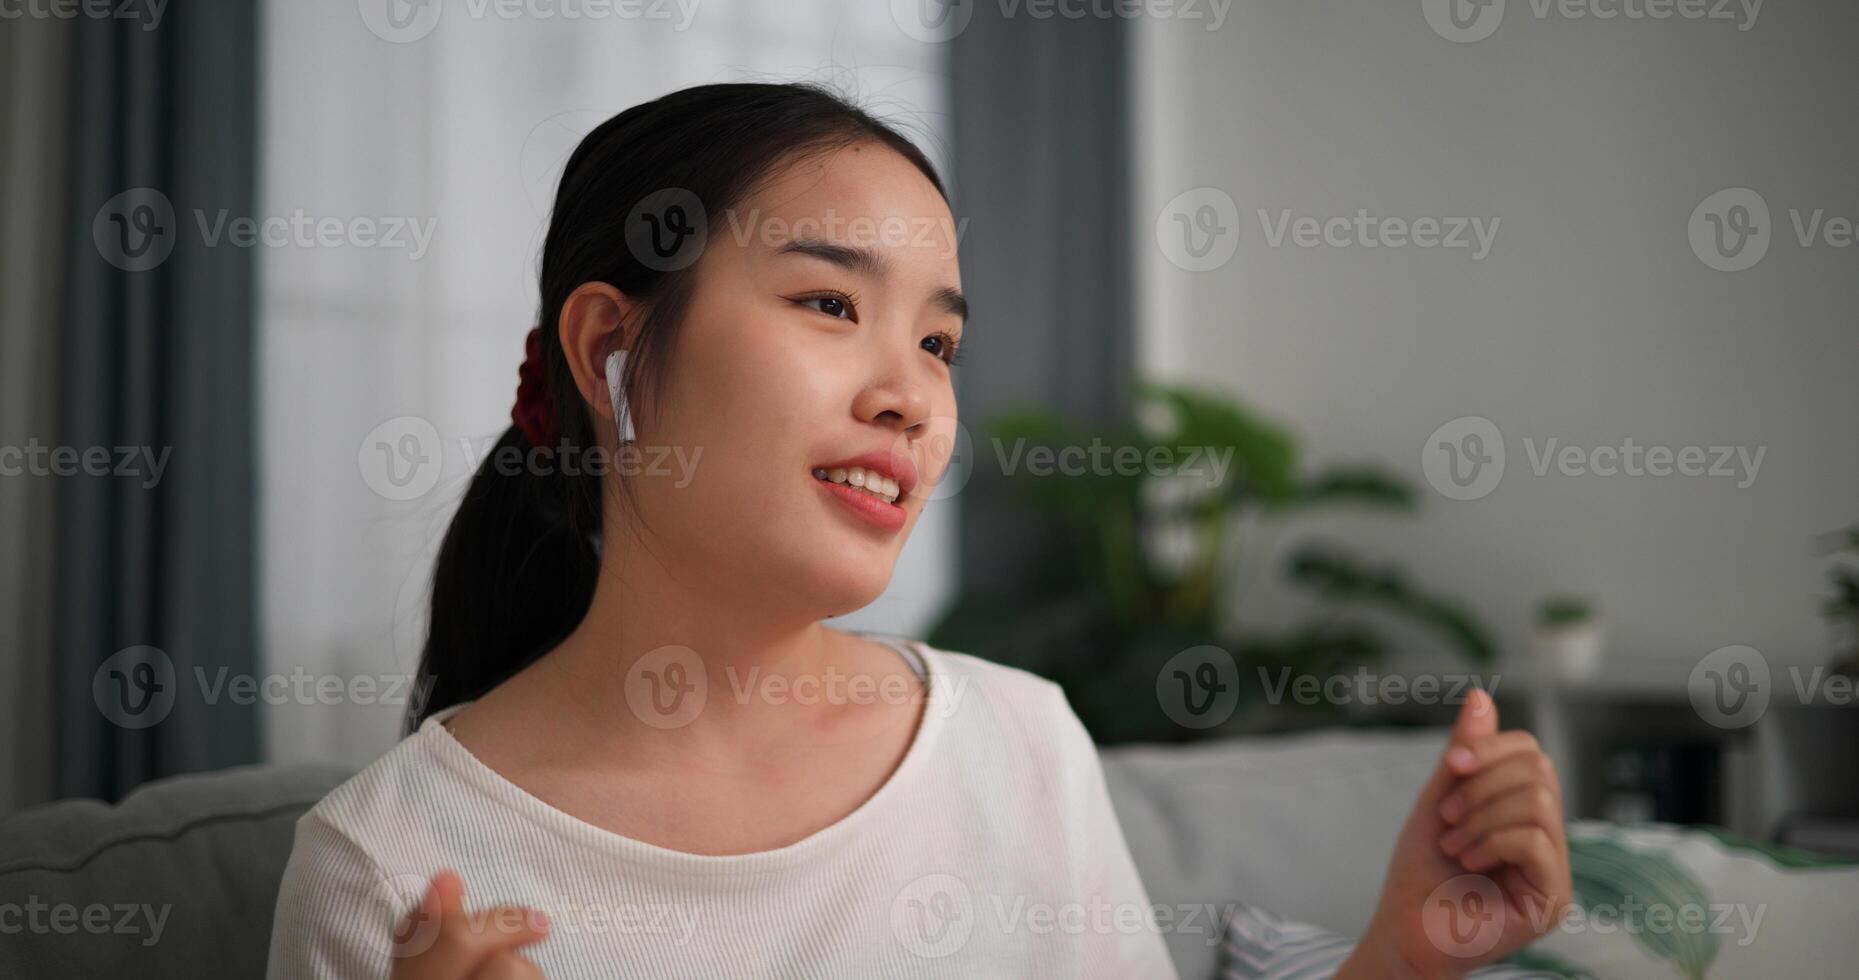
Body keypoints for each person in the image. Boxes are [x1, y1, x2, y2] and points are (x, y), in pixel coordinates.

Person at [266, 81, 1571, 980]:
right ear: (612, 348)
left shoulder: (1017, 742)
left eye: (939, 340)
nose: (911, 393)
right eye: (831, 304)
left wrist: (1402, 953)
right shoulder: (389, 863)